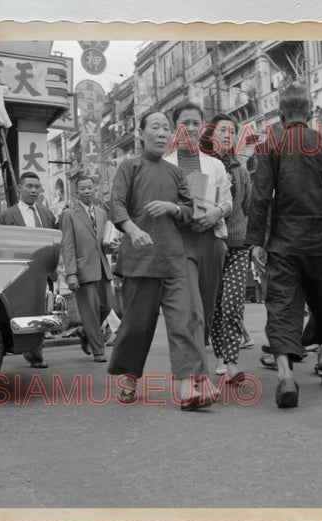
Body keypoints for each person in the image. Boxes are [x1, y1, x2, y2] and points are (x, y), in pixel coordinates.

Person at [246, 85, 322, 408]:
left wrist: (256, 241)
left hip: (284, 243)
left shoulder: (271, 144)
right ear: (310, 113)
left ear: (282, 114)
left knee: (282, 306)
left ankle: (285, 376)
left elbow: (260, 196)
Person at [107, 110, 213, 410]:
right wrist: (133, 229)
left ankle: (185, 388)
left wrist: (173, 207)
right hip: (140, 259)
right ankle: (128, 376)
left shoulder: (176, 172)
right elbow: (116, 204)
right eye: (155, 127)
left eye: (167, 128)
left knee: (184, 320)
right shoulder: (129, 167)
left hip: (174, 258)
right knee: (137, 325)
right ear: (141, 133)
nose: (162, 133)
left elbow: (193, 210)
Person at [164, 101, 233, 350]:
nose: (191, 128)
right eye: (185, 123)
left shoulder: (215, 165)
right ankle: (192, 366)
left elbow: (227, 202)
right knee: (190, 306)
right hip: (180, 244)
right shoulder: (165, 165)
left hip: (211, 242)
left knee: (206, 305)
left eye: (196, 123)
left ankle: (198, 360)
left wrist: (216, 212)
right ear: (175, 128)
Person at [200, 114, 252, 381]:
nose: (227, 135)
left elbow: (248, 208)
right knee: (215, 307)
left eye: (232, 131)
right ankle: (219, 355)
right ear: (210, 134)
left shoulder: (241, 170)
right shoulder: (202, 168)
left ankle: (231, 362)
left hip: (238, 246)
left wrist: (255, 243)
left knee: (232, 305)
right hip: (210, 245)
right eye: (222, 130)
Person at [0, 171, 57, 368]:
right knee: (25, 313)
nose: (33, 190)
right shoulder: (6, 216)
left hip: (45, 272)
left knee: (43, 312)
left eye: (36, 187)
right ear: (19, 188)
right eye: (29, 186)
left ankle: (36, 352)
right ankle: (31, 352)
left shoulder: (47, 214)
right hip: (20, 273)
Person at [60, 177, 113, 363]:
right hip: (83, 270)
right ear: (77, 192)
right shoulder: (69, 214)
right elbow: (67, 244)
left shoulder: (101, 213)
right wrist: (71, 273)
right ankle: (99, 351)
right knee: (90, 311)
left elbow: (104, 241)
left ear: (95, 189)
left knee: (108, 305)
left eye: (90, 187)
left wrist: (111, 247)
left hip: (102, 268)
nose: (87, 191)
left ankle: (85, 332)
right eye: (83, 188)